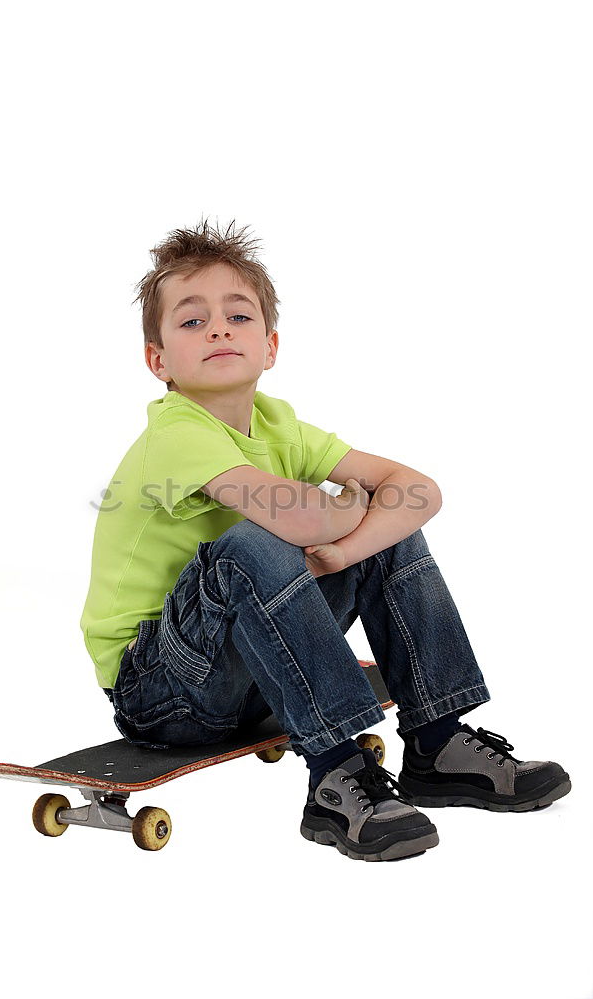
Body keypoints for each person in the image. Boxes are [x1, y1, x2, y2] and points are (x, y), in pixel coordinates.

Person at [79, 217, 571, 862]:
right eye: (192, 321)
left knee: (389, 537)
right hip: (162, 689)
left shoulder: (281, 426)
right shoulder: (176, 434)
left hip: (249, 671)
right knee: (252, 547)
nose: (220, 329)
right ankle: (336, 774)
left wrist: (344, 545)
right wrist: (351, 510)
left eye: (239, 315)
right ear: (158, 360)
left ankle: (438, 741)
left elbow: (420, 491)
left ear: (271, 345)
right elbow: (298, 521)